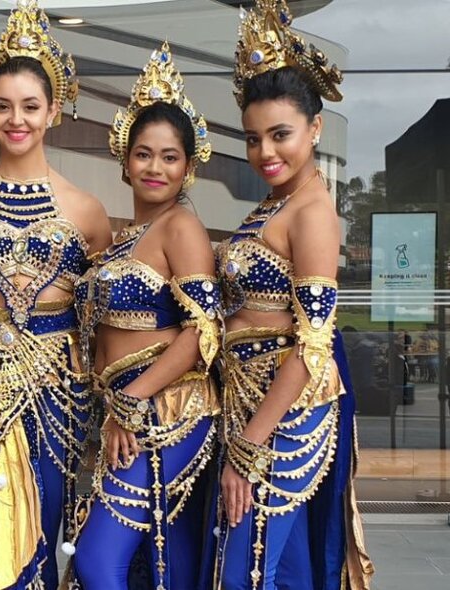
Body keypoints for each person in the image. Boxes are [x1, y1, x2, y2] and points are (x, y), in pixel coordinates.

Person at [0, 1, 112, 587]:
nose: (17, 119)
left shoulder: (87, 211)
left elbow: (102, 322)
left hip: (58, 393)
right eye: (3, 106)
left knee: (42, 523)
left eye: (30, 106)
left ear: (53, 110)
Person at [212, 1, 373, 588]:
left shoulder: (312, 214)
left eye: (280, 135)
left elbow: (312, 343)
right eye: (253, 139)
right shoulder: (271, 206)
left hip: (285, 413)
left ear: (315, 128)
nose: (265, 153)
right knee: (283, 568)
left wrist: (250, 446)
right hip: (251, 402)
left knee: (245, 570)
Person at [65, 42, 221, 590]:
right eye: (144, 154)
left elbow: (204, 332)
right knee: (159, 558)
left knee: (97, 559)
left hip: (165, 407)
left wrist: (133, 399)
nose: (155, 167)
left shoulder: (181, 228)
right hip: (125, 410)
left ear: (188, 167)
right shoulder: (121, 239)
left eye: (170, 156)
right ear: (125, 159)